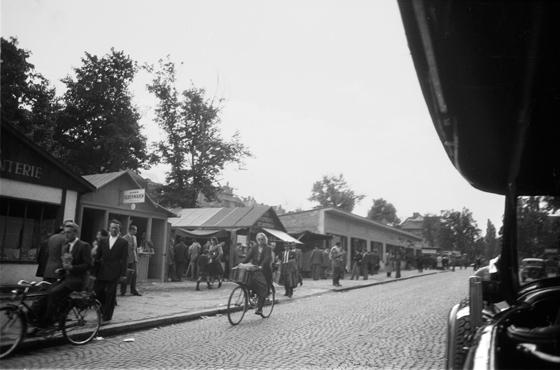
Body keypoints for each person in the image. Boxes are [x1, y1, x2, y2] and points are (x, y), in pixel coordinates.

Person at [39, 221, 92, 327]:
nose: (65, 235)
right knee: (47, 292)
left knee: (54, 293)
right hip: (67, 278)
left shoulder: (83, 246)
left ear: (75, 233)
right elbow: (67, 265)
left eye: (68, 232)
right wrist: (62, 270)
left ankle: (48, 322)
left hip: (78, 280)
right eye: (64, 232)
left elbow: (88, 265)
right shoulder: (67, 246)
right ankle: (55, 316)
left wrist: (72, 268)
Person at [93, 220, 128, 323]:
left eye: (116, 228)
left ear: (119, 230)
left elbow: (124, 259)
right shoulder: (103, 241)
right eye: (112, 228)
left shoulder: (123, 242)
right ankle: (101, 312)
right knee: (99, 292)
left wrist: (123, 274)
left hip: (114, 271)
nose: (113, 230)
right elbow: (98, 257)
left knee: (110, 294)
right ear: (109, 228)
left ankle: (107, 316)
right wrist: (94, 272)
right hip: (102, 271)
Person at [243, 232, 273, 316]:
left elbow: (267, 258)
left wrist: (261, 266)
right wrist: (241, 264)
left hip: (265, 271)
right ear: (257, 239)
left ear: (265, 240)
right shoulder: (254, 248)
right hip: (255, 269)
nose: (260, 241)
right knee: (247, 282)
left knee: (262, 288)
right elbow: (248, 257)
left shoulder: (268, 248)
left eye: (262, 239)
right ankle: (250, 297)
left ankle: (260, 309)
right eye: (259, 239)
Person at [119, 224, 141, 296]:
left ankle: (133, 290)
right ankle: (123, 291)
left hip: (134, 259)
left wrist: (136, 256)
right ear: (131, 230)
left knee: (134, 275)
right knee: (125, 274)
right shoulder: (124, 238)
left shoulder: (134, 237)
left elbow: (135, 248)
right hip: (127, 259)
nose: (136, 232)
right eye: (135, 230)